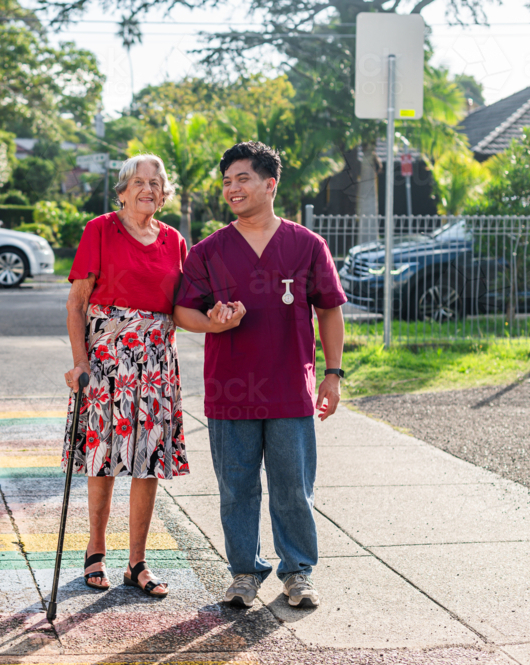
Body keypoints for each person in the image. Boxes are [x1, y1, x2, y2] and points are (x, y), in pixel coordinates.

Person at [173, 141, 346, 609]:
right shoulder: (210, 251)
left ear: (270, 184)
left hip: (291, 388)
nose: (233, 188)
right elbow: (182, 311)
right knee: (237, 488)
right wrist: (213, 322)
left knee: (293, 487)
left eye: (242, 179)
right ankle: (244, 574)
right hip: (231, 391)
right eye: (227, 181)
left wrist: (332, 373)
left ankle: (298, 572)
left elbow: (329, 310)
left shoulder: (307, 245)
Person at [62, 154, 190, 597]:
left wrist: (218, 318)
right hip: (106, 362)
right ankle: (95, 550)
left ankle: (137, 561)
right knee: (103, 457)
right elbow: (77, 303)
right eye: (138, 182)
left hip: (156, 364)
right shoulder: (100, 229)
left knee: (148, 460)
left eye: (156, 182)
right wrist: (80, 362)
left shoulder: (174, 241)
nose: (148, 189)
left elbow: (180, 308)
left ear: (164, 192)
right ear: (121, 190)